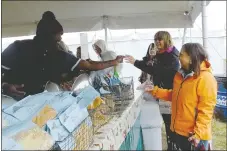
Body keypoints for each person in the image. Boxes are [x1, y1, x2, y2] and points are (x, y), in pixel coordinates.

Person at [1, 11, 124, 100]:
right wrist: (4, 86)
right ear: (46, 36)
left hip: (39, 104)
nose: (59, 41)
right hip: (9, 103)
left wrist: (113, 62)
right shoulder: (17, 48)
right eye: (57, 38)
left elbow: (88, 64)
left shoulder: (57, 55)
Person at [146, 43, 217, 151]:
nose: (178, 58)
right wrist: (154, 91)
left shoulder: (206, 78)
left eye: (181, 55)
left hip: (194, 136)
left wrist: (197, 134)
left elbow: (206, 110)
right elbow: (175, 95)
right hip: (178, 131)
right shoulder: (179, 75)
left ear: (191, 58)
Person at [125, 31, 180, 150]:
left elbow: (162, 72)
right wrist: (135, 62)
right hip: (162, 93)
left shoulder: (173, 56)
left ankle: (173, 147)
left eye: (160, 39)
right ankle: (171, 146)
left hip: (170, 94)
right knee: (168, 123)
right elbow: (152, 69)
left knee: (171, 124)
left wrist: (152, 67)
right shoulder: (161, 55)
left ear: (167, 40)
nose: (157, 42)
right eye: (155, 39)